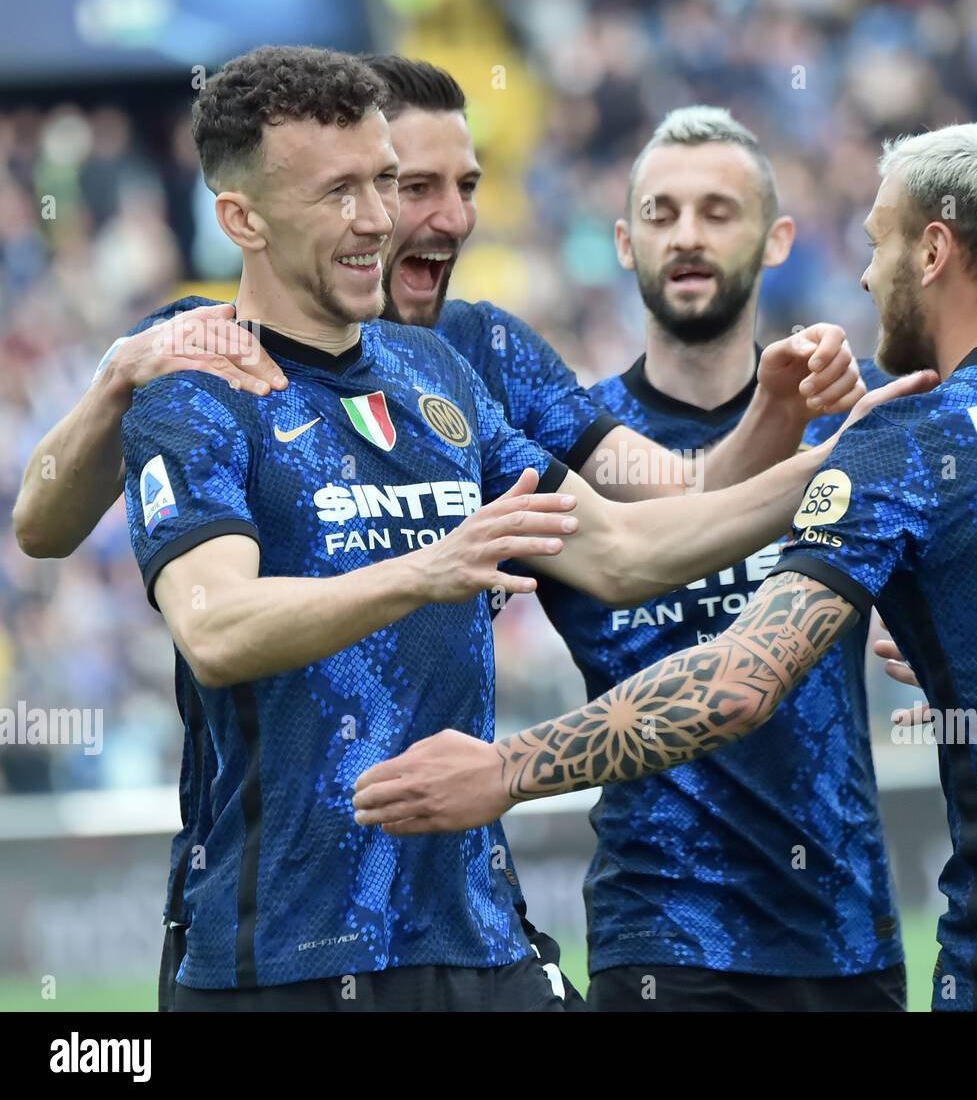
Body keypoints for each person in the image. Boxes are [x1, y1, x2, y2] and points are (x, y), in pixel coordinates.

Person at [355, 123, 977, 1013]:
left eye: (878, 243)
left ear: (932, 253)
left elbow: (736, 684)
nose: (862, 271)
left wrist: (509, 767)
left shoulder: (907, 440)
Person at [11, 53, 865, 1010]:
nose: (383, 218)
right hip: (285, 943)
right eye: (344, 190)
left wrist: (841, 465)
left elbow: (627, 550)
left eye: (388, 182)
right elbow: (213, 628)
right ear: (243, 218)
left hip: (476, 932)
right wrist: (427, 568)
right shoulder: (197, 372)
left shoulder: (444, 368)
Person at [528, 106, 906, 1011]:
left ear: (777, 239)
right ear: (623, 242)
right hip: (660, 936)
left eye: (717, 211)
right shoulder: (566, 448)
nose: (686, 235)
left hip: (843, 937)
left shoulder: (855, 428)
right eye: (659, 214)